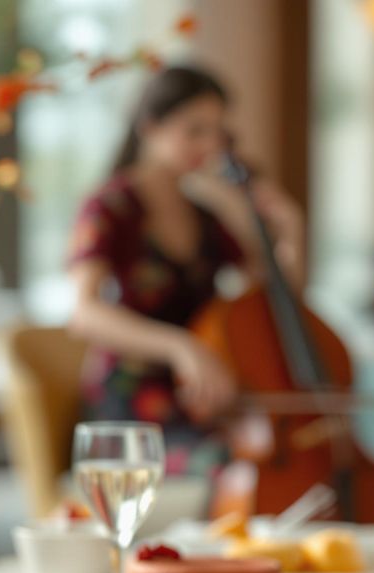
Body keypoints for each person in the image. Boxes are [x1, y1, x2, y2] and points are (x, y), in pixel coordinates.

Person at [68, 66, 304, 474]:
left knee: (284, 458)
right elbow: (84, 313)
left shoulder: (205, 215)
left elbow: (276, 302)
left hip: (205, 402)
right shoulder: (111, 207)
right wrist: (182, 348)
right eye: (195, 130)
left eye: (218, 133)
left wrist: (289, 227)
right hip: (134, 406)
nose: (211, 145)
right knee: (235, 466)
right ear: (151, 127)